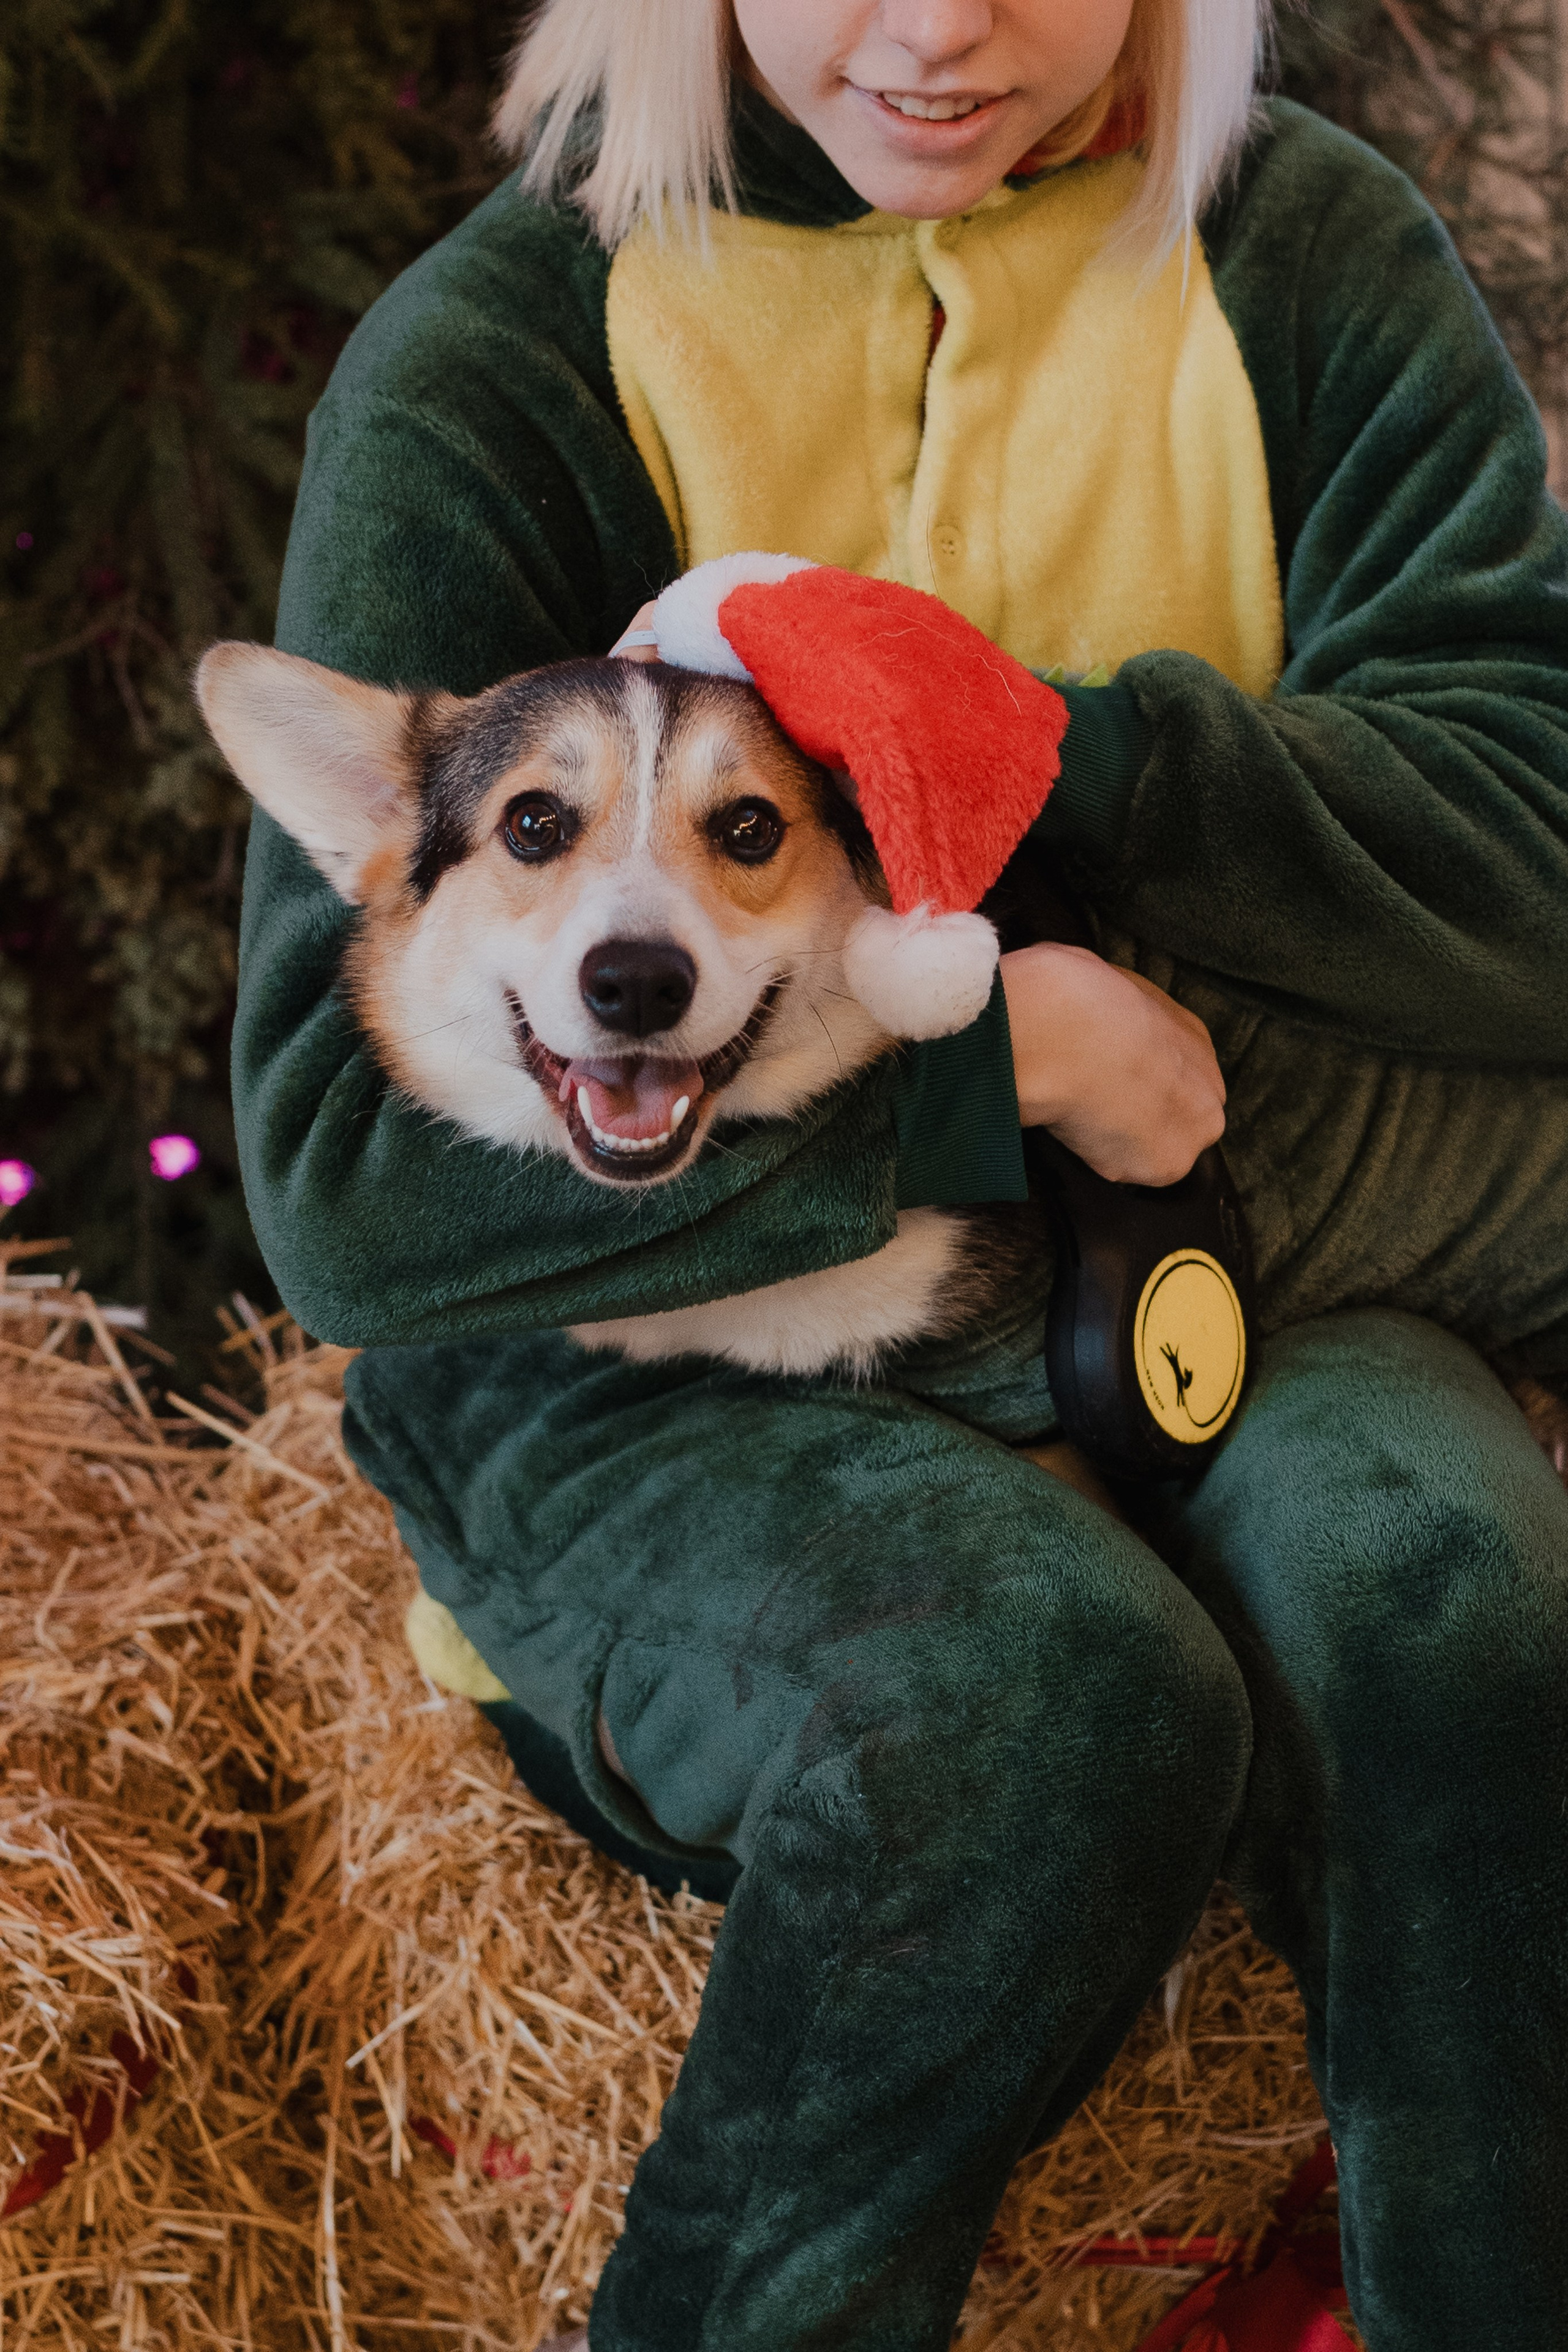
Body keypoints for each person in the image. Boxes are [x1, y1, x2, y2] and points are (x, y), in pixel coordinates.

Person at [232, 1, 1568, 2344]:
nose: (943, 27)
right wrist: (990, 1074)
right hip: (644, 1372)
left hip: (1236, 1240)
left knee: (1443, 1590)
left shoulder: (1307, 253)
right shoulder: (506, 345)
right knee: (1036, 1697)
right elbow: (349, 1184)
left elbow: (1536, 855)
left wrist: (1024, 750)